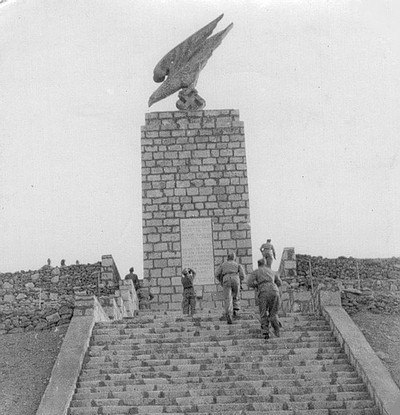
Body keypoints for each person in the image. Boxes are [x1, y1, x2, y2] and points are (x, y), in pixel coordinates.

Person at [247, 258, 282, 339]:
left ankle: (266, 332)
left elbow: (249, 283)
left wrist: (257, 285)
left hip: (263, 292)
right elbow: (279, 282)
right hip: (274, 291)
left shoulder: (256, 271)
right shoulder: (272, 271)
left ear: (258, 264)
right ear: (265, 264)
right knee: (273, 313)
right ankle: (277, 329)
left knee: (263, 312)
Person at [215, 252, 245, 324]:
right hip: (235, 278)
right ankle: (235, 310)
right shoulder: (237, 265)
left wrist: (221, 280)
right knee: (236, 295)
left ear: (227, 258)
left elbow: (216, 274)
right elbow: (243, 275)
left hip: (226, 278)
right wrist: (240, 281)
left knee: (228, 297)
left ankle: (228, 313)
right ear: (234, 258)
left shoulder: (223, 264)